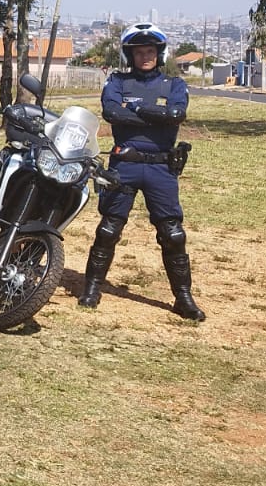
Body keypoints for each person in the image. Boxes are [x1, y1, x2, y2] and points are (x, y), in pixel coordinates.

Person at [79, 22, 205, 320]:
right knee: (108, 230)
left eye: (150, 51)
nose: (145, 56)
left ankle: (183, 298)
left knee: (173, 234)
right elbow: (111, 113)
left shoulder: (174, 85)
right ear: (130, 55)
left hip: (161, 168)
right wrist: (156, 117)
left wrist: (133, 110)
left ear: (158, 54)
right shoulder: (117, 82)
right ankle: (92, 288)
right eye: (139, 52)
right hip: (125, 165)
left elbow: (176, 114)